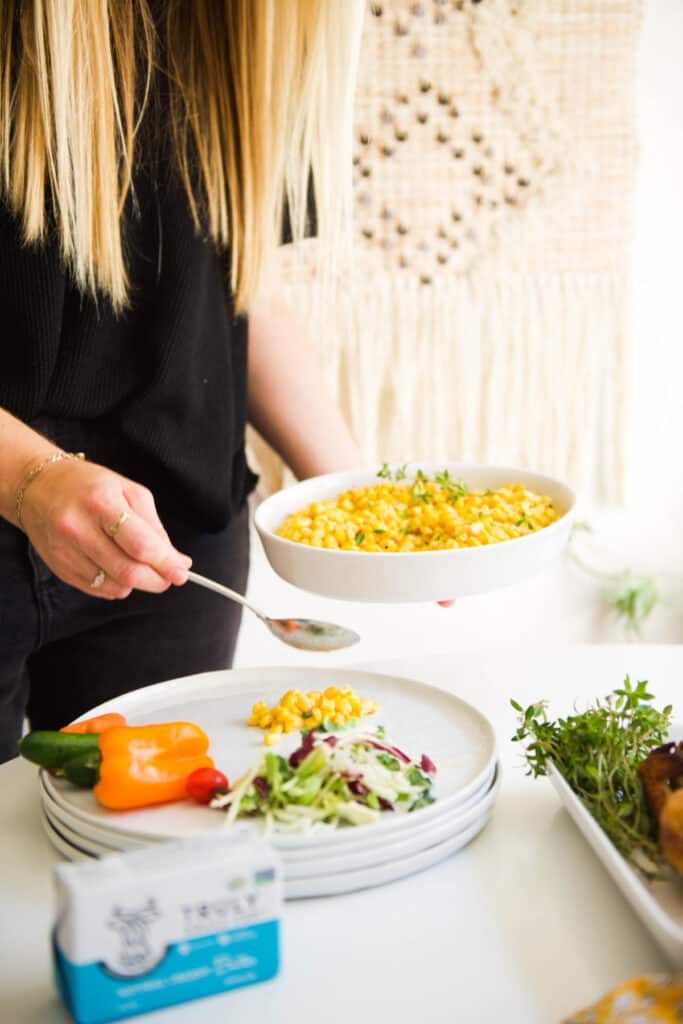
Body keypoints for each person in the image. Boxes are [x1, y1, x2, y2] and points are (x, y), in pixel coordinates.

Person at [0, 0, 364, 761]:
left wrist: (363, 506)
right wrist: (30, 479)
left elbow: (235, 283)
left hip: (179, 553)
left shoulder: (257, 26)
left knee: (149, 868)